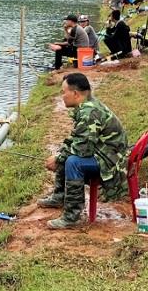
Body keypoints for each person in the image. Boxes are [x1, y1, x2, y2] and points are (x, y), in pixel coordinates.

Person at [37, 73, 128, 229]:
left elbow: (82, 150)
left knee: (73, 162)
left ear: (75, 93)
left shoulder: (88, 112)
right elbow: (77, 139)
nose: (62, 96)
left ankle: (72, 217)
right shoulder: (87, 106)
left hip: (111, 163)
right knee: (65, 152)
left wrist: (58, 159)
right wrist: (60, 155)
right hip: (105, 153)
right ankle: (60, 197)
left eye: (63, 92)